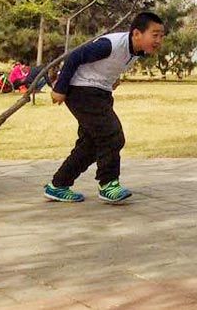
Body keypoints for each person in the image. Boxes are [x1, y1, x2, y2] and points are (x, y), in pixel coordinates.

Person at [43, 12, 165, 204]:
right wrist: (60, 89)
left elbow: (107, 65)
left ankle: (58, 185)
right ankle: (108, 184)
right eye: (155, 34)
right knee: (112, 135)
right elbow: (75, 57)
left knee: (90, 144)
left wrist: (113, 79)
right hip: (81, 90)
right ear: (137, 34)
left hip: (100, 92)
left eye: (161, 36)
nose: (159, 40)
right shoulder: (110, 45)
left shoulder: (136, 51)